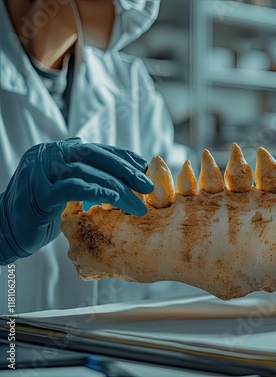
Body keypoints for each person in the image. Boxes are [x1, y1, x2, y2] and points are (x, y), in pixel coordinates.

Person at [0, 0, 194, 314]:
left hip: (115, 351)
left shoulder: (129, 82)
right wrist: (2, 231)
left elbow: (181, 208)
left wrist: (268, 190)